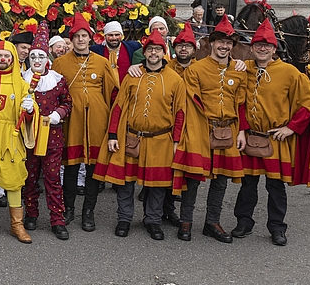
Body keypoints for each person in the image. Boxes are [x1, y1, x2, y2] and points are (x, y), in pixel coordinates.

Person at [232, 19, 310, 245]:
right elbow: (238, 102)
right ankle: (244, 222)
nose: (262, 48)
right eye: (258, 44)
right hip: (250, 137)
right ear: (251, 48)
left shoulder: (290, 73)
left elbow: (308, 103)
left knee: (275, 186)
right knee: (248, 185)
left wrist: (291, 127)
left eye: (267, 45)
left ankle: (277, 227)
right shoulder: (243, 69)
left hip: (275, 139)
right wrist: (241, 129)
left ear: (274, 48)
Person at [95, 31, 185, 240]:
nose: (154, 53)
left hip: (161, 139)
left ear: (164, 53)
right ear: (144, 53)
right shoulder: (132, 76)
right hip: (132, 137)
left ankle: (152, 220)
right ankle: (124, 218)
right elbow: (118, 107)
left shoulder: (175, 79)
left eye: (158, 50)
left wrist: (177, 141)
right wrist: (112, 135)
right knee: (125, 183)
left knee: (157, 184)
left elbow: (180, 112)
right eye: (150, 49)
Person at [171, 17, 246, 243]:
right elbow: (189, 101)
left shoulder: (239, 70)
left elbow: (242, 104)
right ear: (212, 43)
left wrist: (242, 130)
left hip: (228, 130)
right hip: (201, 129)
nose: (224, 46)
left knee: (221, 179)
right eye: (220, 42)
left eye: (229, 43)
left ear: (232, 46)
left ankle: (212, 222)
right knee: (193, 177)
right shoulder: (196, 69)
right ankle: (186, 220)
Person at [52, 14, 119, 231]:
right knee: (70, 168)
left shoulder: (102, 63)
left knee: (92, 170)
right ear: (71, 40)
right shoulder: (60, 63)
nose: (81, 40)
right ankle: (68, 208)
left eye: (85, 36)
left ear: (91, 39)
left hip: (96, 122)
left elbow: (112, 93)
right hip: (71, 121)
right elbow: (54, 93)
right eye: (77, 36)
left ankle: (88, 211)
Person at [0, 40, 36, 243]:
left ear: (13, 59)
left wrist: (30, 110)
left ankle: (16, 225)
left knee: (13, 179)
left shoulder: (21, 83)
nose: (3, 60)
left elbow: (31, 115)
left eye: (7, 56)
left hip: (11, 135)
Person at [23, 24, 72, 240]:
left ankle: (57, 219)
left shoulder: (58, 80)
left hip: (52, 138)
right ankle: (31, 214)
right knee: (30, 178)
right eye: (33, 56)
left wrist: (58, 114)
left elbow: (68, 103)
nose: (36, 60)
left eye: (40, 56)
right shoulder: (21, 79)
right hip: (29, 138)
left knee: (52, 179)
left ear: (47, 58)